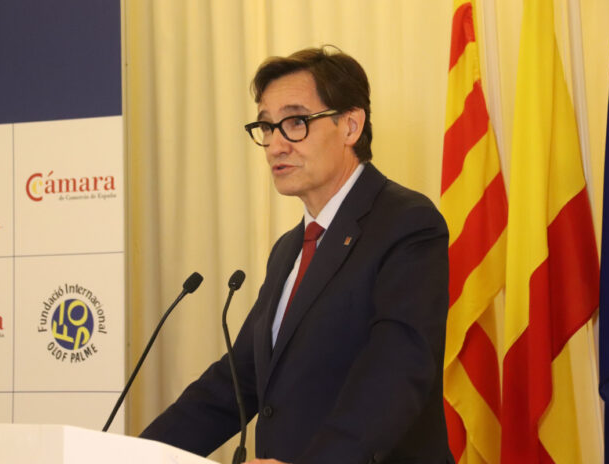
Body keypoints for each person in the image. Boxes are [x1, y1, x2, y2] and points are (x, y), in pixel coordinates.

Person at [140, 46, 453, 464]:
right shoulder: (290, 248)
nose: (275, 145)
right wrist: (132, 454)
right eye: (266, 126)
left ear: (351, 126)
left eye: (295, 123)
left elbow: (396, 371)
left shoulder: (407, 223)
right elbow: (236, 382)